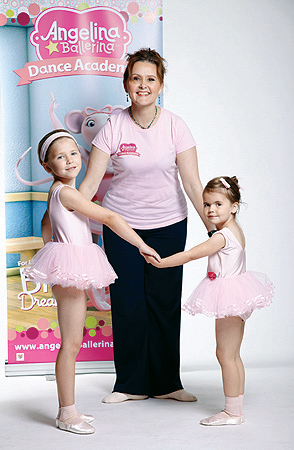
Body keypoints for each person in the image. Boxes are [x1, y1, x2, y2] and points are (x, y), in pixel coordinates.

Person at [79, 48, 212, 403]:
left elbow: (193, 184)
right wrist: (66, 210)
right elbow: (90, 186)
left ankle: (168, 383)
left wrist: (215, 229)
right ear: (126, 84)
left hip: (169, 225)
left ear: (161, 85)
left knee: (164, 301)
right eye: (136, 78)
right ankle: (130, 385)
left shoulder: (175, 126)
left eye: (150, 79)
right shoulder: (113, 127)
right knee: (128, 302)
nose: (143, 85)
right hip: (123, 227)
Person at [23, 129, 161, 434]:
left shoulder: (58, 193)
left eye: (73, 153)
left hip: (68, 267)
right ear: (48, 166)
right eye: (60, 157)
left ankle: (69, 409)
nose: (71, 160)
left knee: (72, 342)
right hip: (70, 270)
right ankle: (66, 413)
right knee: (71, 344)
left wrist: (53, 251)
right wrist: (142, 245)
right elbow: (111, 219)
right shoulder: (68, 193)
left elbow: (47, 221)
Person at [146, 176, 274, 425]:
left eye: (218, 204)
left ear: (234, 206)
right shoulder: (235, 230)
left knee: (225, 355)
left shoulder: (221, 236)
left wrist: (160, 262)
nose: (211, 210)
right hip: (238, 292)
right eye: (206, 205)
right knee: (233, 355)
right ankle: (236, 408)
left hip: (229, 296)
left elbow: (192, 254)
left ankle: (232, 412)